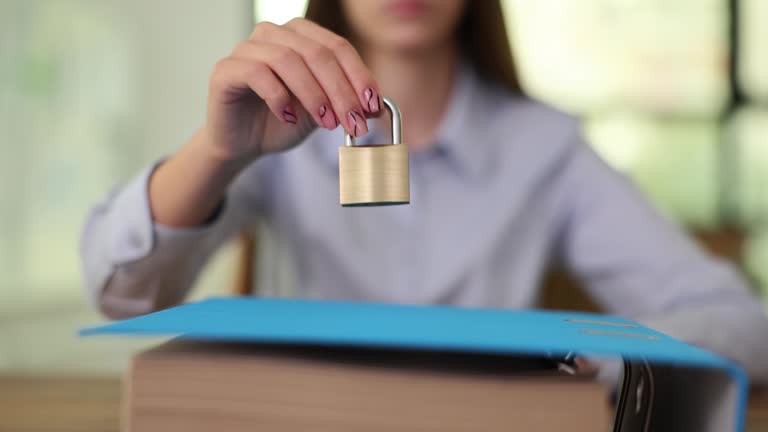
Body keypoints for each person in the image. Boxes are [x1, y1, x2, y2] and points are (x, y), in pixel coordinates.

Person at [81, 0, 768, 383]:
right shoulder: (274, 132)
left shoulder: (545, 150)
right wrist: (218, 151)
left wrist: (580, 364)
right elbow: (120, 291)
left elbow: (741, 324)